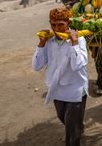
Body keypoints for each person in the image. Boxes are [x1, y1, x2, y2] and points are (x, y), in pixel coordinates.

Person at [33, 8, 88, 146]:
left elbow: (78, 65)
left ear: (68, 23)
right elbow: (37, 66)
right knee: (62, 117)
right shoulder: (49, 41)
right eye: (53, 24)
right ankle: (78, 126)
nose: (56, 28)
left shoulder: (79, 39)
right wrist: (41, 43)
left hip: (75, 89)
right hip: (57, 88)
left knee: (71, 131)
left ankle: (75, 132)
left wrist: (74, 42)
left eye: (60, 25)